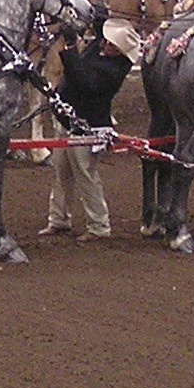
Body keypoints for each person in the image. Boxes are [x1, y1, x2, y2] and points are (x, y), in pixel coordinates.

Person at [39, 32, 131, 241]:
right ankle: (59, 219)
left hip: (86, 128)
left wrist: (70, 49)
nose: (106, 43)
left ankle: (99, 225)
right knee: (61, 173)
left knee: (85, 175)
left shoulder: (113, 70)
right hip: (69, 122)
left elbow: (82, 79)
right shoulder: (101, 55)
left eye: (112, 44)